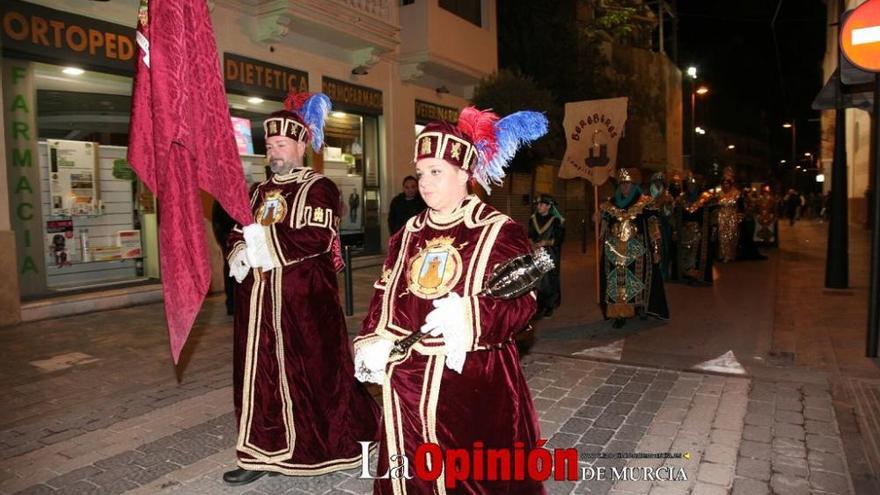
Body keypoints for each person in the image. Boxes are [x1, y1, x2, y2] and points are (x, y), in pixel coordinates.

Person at [353, 106, 548, 494]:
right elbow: (383, 293)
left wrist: (469, 315)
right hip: (405, 380)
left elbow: (523, 303)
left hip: (471, 382)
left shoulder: (497, 230)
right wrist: (371, 340)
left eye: (436, 172)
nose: (424, 183)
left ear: (464, 174)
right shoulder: (407, 232)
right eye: (422, 173)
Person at [223, 91, 380, 485]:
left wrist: (259, 246)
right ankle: (258, 453)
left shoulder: (319, 187)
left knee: (315, 378)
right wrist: (239, 249)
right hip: (257, 305)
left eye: (281, 144)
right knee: (257, 378)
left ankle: (331, 444)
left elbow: (312, 237)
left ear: (300, 145)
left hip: (304, 307)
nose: (274, 152)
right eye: (270, 145)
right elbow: (234, 230)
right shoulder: (256, 191)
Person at [599, 168, 669, 329]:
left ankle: (641, 306)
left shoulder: (645, 202)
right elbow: (604, 227)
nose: (624, 187)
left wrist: (656, 248)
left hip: (637, 250)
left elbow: (653, 227)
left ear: (633, 184)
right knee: (618, 282)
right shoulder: (611, 203)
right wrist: (599, 218)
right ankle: (619, 313)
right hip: (614, 251)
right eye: (622, 183)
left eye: (628, 183)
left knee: (638, 278)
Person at [674, 174, 717, 286]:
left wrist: (713, 229)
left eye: (693, 185)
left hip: (700, 232)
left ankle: (698, 277)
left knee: (697, 255)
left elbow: (713, 215)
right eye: (689, 185)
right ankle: (686, 275)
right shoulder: (682, 198)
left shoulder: (706, 197)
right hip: (685, 232)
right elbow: (676, 215)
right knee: (686, 254)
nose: (691, 187)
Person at [528, 194, 565, 318]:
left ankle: (550, 305)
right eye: (538, 204)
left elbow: (559, 238)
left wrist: (546, 242)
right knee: (538, 279)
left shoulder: (555, 220)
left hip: (551, 253)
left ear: (549, 206)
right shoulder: (533, 219)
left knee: (550, 278)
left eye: (542, 204)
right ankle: (539, 305)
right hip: (536, 252)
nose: (538, 206)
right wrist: (533, 244)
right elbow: (530, 235)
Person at [647, 171, 675, 280]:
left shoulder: (668, 195)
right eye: (656, 181)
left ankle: (663, 272)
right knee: (652, 248)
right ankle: (652, 272)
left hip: (663, 224)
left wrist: (667, 207)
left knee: (665, 248)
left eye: (660, 181)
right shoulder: (647, 195)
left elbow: (670, 212)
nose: (658, 183)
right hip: (651, 224)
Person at [211, 201, 236, 315]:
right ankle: (231, 303)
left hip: (240, 239)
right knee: (230, 271)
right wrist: (224, 240)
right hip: (228, 240)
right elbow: (217, 223)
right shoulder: (219, 200)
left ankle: (237, 302)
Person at [716, 167, 743, 263]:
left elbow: (741, 206)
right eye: (724, 183)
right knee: (722, 236)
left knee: (732, 235)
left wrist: (739, 217)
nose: (726, 185)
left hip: (732, 216)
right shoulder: (718, 194)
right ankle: (723, 254)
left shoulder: (736, 193)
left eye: (728, 183)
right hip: (722, 217)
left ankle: (731, 254)